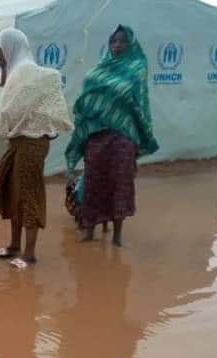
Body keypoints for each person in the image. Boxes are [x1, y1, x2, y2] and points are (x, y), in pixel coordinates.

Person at [0, 28, 73, 269]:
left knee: (28, 193)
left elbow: (38, 112)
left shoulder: (34, 75)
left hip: (32, 143)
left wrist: (39, 128)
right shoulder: (15, 74)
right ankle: (14, 246)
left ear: (11, 49)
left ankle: (29, 253)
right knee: (11, 191)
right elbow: (12, 112)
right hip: (17, 141)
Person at [65, 25, 159, 247]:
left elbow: (141, 105)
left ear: (131, 45)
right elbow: (87, 99)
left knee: (120, 184)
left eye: (123, 41)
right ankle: (89, 229)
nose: (118, 45)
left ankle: (117, 235)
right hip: (96, 136)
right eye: (114, 41)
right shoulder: (98, 71)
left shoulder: (137, 70)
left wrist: (140, 135)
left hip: (123, 136)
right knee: (93, 182)